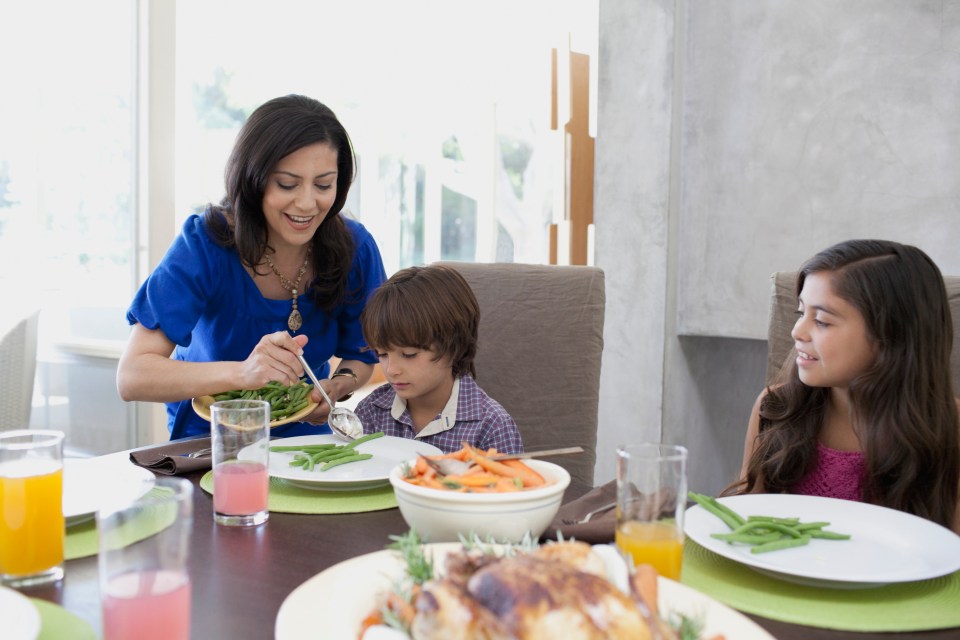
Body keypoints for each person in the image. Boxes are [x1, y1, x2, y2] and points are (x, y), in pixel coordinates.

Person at [117, 95, 386, 439]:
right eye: (287, 184)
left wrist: (336, 386)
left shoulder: (354, 246)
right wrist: (244, 373)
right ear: (253, 179)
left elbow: (361, 355)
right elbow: (132, 376)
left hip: (305, 438)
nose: (307, 203)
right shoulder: (204, 244)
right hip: (211, 442)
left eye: (323, 185)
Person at [730, 239, 960, 533]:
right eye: (802, 313)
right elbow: (742, 526)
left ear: (891, 336)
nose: (797, 331)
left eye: (823, 321)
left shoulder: (950, 426)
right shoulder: (775, 409)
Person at [354, 264, 524, 454]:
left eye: (409, 354)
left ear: (454, 346)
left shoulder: (492, 426)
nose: (392, 370)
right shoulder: (370, 412)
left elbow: (510, 483)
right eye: (382, 354)